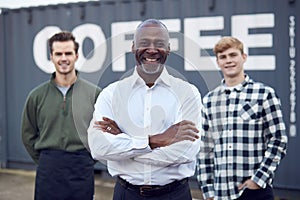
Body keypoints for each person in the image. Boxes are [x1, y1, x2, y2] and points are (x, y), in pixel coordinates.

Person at [87, 19, 202, 200]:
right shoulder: (111, 93)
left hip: (175, 195)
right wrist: (156, 140)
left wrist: (125, 147)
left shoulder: (188, 93)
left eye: (159, 44)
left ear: (169, 49)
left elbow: (186, 151)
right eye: (144, 43)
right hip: (127, 194)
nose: (151, 49)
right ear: (133, 47)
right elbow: (99, 148)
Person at [196, 36, 288, 200]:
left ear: (243, 57)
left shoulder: (264, 94)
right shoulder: (210, 100)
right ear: (217, 62)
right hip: (221, 193)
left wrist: (259, 180)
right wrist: (208, 191)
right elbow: (204, 148)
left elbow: (278, 139)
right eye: (223, 57)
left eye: (233, 55)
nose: (228, 61)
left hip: (255, 191)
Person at [21, 31, 101, 200]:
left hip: (82, 170)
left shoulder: (94, 94)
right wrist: (46, 160)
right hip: (48, 170)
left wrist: (87, 160)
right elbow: (28, 135)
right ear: (51, 57)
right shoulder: (36, 96)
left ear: (77, 56)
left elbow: (103, 134)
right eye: (58, 54)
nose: (63, 58)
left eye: (68, 53)